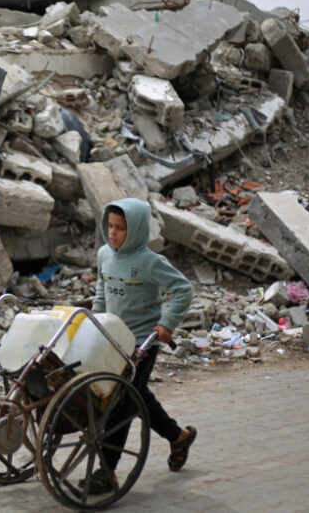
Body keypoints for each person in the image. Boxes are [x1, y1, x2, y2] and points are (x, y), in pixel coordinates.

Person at [88, 198, 197, 492]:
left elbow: (183, 289)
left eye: (120, 228)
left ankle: (107, 471)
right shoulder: (104, 255)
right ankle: (179, 437)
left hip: (142, 344)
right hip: (113, 340)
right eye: (110, 226)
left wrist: (167, 323)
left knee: (122, 401)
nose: (113, 233)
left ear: (135, 230)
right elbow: (102, 291)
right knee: (137, 396)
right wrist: (95, 320)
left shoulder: (150, 262)